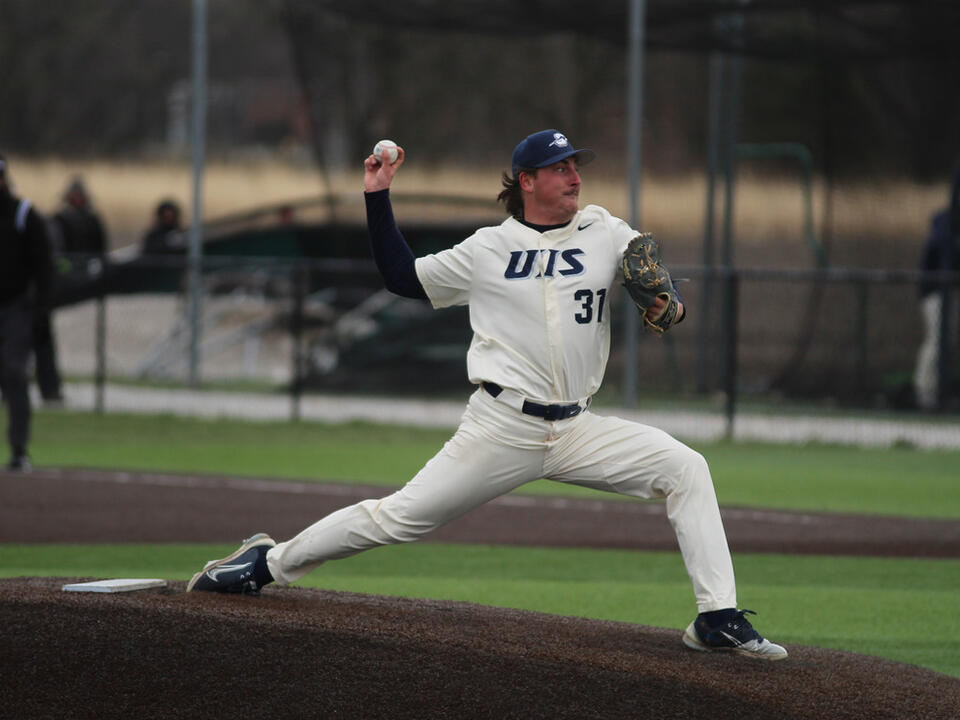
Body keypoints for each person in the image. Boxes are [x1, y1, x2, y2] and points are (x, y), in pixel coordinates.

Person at [186, 130, 787, 661]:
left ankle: (716, 618)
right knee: (398, 519)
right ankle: (265, 564)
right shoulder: (487, 250)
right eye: (559, 168)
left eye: (576, 166)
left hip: (578, 429)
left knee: (686, 467)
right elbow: (402, 277)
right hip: (502, 427)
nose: (575, 176)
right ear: (526, 181)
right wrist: (377, 195)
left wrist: (671, 305)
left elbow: (656, 284)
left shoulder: (605, 231)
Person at [0, 154, 55, 470]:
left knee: (14, 372)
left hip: (16, 306)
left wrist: (40, 310)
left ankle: (19, 449)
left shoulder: (22, 214)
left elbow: (44, 266)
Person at [913, 163, 960, 411]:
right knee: (935, 338)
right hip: (933, 291)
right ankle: (925, 393)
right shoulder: (944, 221)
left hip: (951, 293)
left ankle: (941, 388)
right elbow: (939, 250)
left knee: (947, 340)